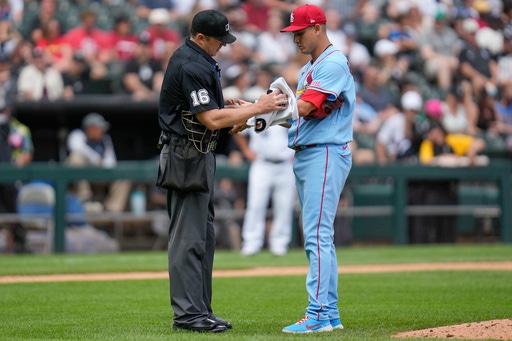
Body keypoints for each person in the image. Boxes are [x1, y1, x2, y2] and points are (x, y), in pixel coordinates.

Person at [157, 9, 288, 333]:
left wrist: (239, 109)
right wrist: (259, 107)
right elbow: (211, 120)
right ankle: (187, 315)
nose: (224, 46)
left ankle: (200, 310)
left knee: (204, 237)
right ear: (201, 37)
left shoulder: (200, 59)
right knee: (188, 238)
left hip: (198, 153)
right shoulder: (190, 62)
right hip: (184, 155)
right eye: (219, 40)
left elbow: (213, 113)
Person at [279, 4, 355, 333]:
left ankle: (318, 314)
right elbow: (300, 112)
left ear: (317, 29)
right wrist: (255, 112)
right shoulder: (312, 66)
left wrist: (260, 111)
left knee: (317, 236)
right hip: (310, 151)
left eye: (299, 32)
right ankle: (331, 314)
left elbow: (306, 106)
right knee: (318, 236)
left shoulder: (334, 62)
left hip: (324, 152)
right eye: (292, 33)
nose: (295, 38)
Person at [233, 125, 296, 257]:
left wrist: (296, 151)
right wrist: (246, 150)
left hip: (286, 163)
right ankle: (251, 243)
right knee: (255, 205)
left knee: (284, 206)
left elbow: (302, 130)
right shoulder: (258, 108)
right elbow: (237, 129)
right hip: (261, 163)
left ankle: (280, 243)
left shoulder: (290, 107)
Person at [66, 112, 131, 213]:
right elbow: (78, 149)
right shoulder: (77, 135)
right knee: (76, 158)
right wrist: (97, 160)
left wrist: (101, 164)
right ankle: (84, 199)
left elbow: (111, 162)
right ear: (90, 129)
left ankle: (113, 210)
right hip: (81, 178)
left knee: (123, 173)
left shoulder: (105, 139)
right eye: (99, 128)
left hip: (99, 176)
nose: (102, 131)